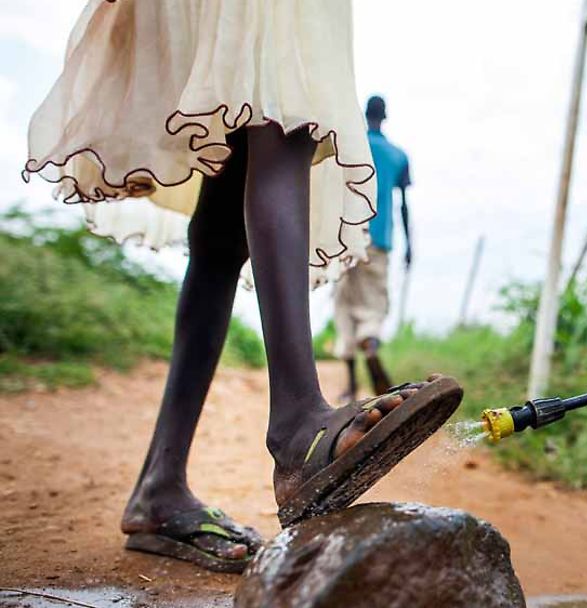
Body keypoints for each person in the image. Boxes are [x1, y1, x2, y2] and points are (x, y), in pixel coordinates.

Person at [23, 1, 462, 573]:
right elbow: (400, 198)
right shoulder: (397, 151)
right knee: (288, 111)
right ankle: (299, 421)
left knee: (230, 192)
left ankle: (160, 484)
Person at [334, 96, 412, 402]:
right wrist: (410, 246)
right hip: (379, 239)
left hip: (344, 235)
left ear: (365, 115)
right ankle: (370, 342)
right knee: (373, 305)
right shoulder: (398, 156)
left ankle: (351, 386)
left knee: (344, 307)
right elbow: (404, 205)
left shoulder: (351, 144)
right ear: (386, 117)